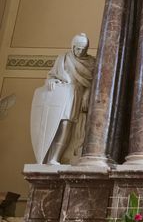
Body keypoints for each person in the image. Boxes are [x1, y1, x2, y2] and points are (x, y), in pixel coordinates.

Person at [30, 33, 95, 165]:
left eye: (83, 49)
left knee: (67, 125)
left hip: (77, 95)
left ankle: (56, 157)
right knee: (57, 125)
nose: (80, 51)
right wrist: (51, 80)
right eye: (77, 48)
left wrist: (87, 94)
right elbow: (52, 75)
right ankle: (51, 157)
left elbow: (94, 81)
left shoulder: (92, 62)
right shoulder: (63, 59)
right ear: (72, 46)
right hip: (62, 95)